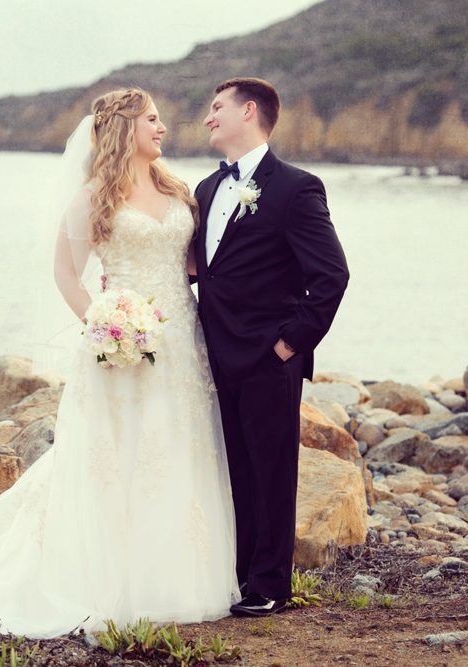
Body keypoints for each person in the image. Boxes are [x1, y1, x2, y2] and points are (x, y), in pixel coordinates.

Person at [0, 88, 240, 638]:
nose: (163, 126)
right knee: (118, 457)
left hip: (181, 345)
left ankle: (175, 579)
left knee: (175, 448)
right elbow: (66, 275)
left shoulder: (178, 190)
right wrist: (105, 324)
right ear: (125, 128)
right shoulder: (95, 197)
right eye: (152, 118)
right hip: (121, 347)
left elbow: (194, 265)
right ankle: (108, 579)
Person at [193, 78, 349, 617]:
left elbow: (331, 276)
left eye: (217, 108)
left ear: (249, 111)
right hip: (212, 356)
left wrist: (289, 345)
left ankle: (270, 586)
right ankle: (239, 578)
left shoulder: (295, 188)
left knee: (270, 470)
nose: (208, 117)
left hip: (266, 357)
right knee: (233, 468)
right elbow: (201, 272)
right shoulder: (208, 191)